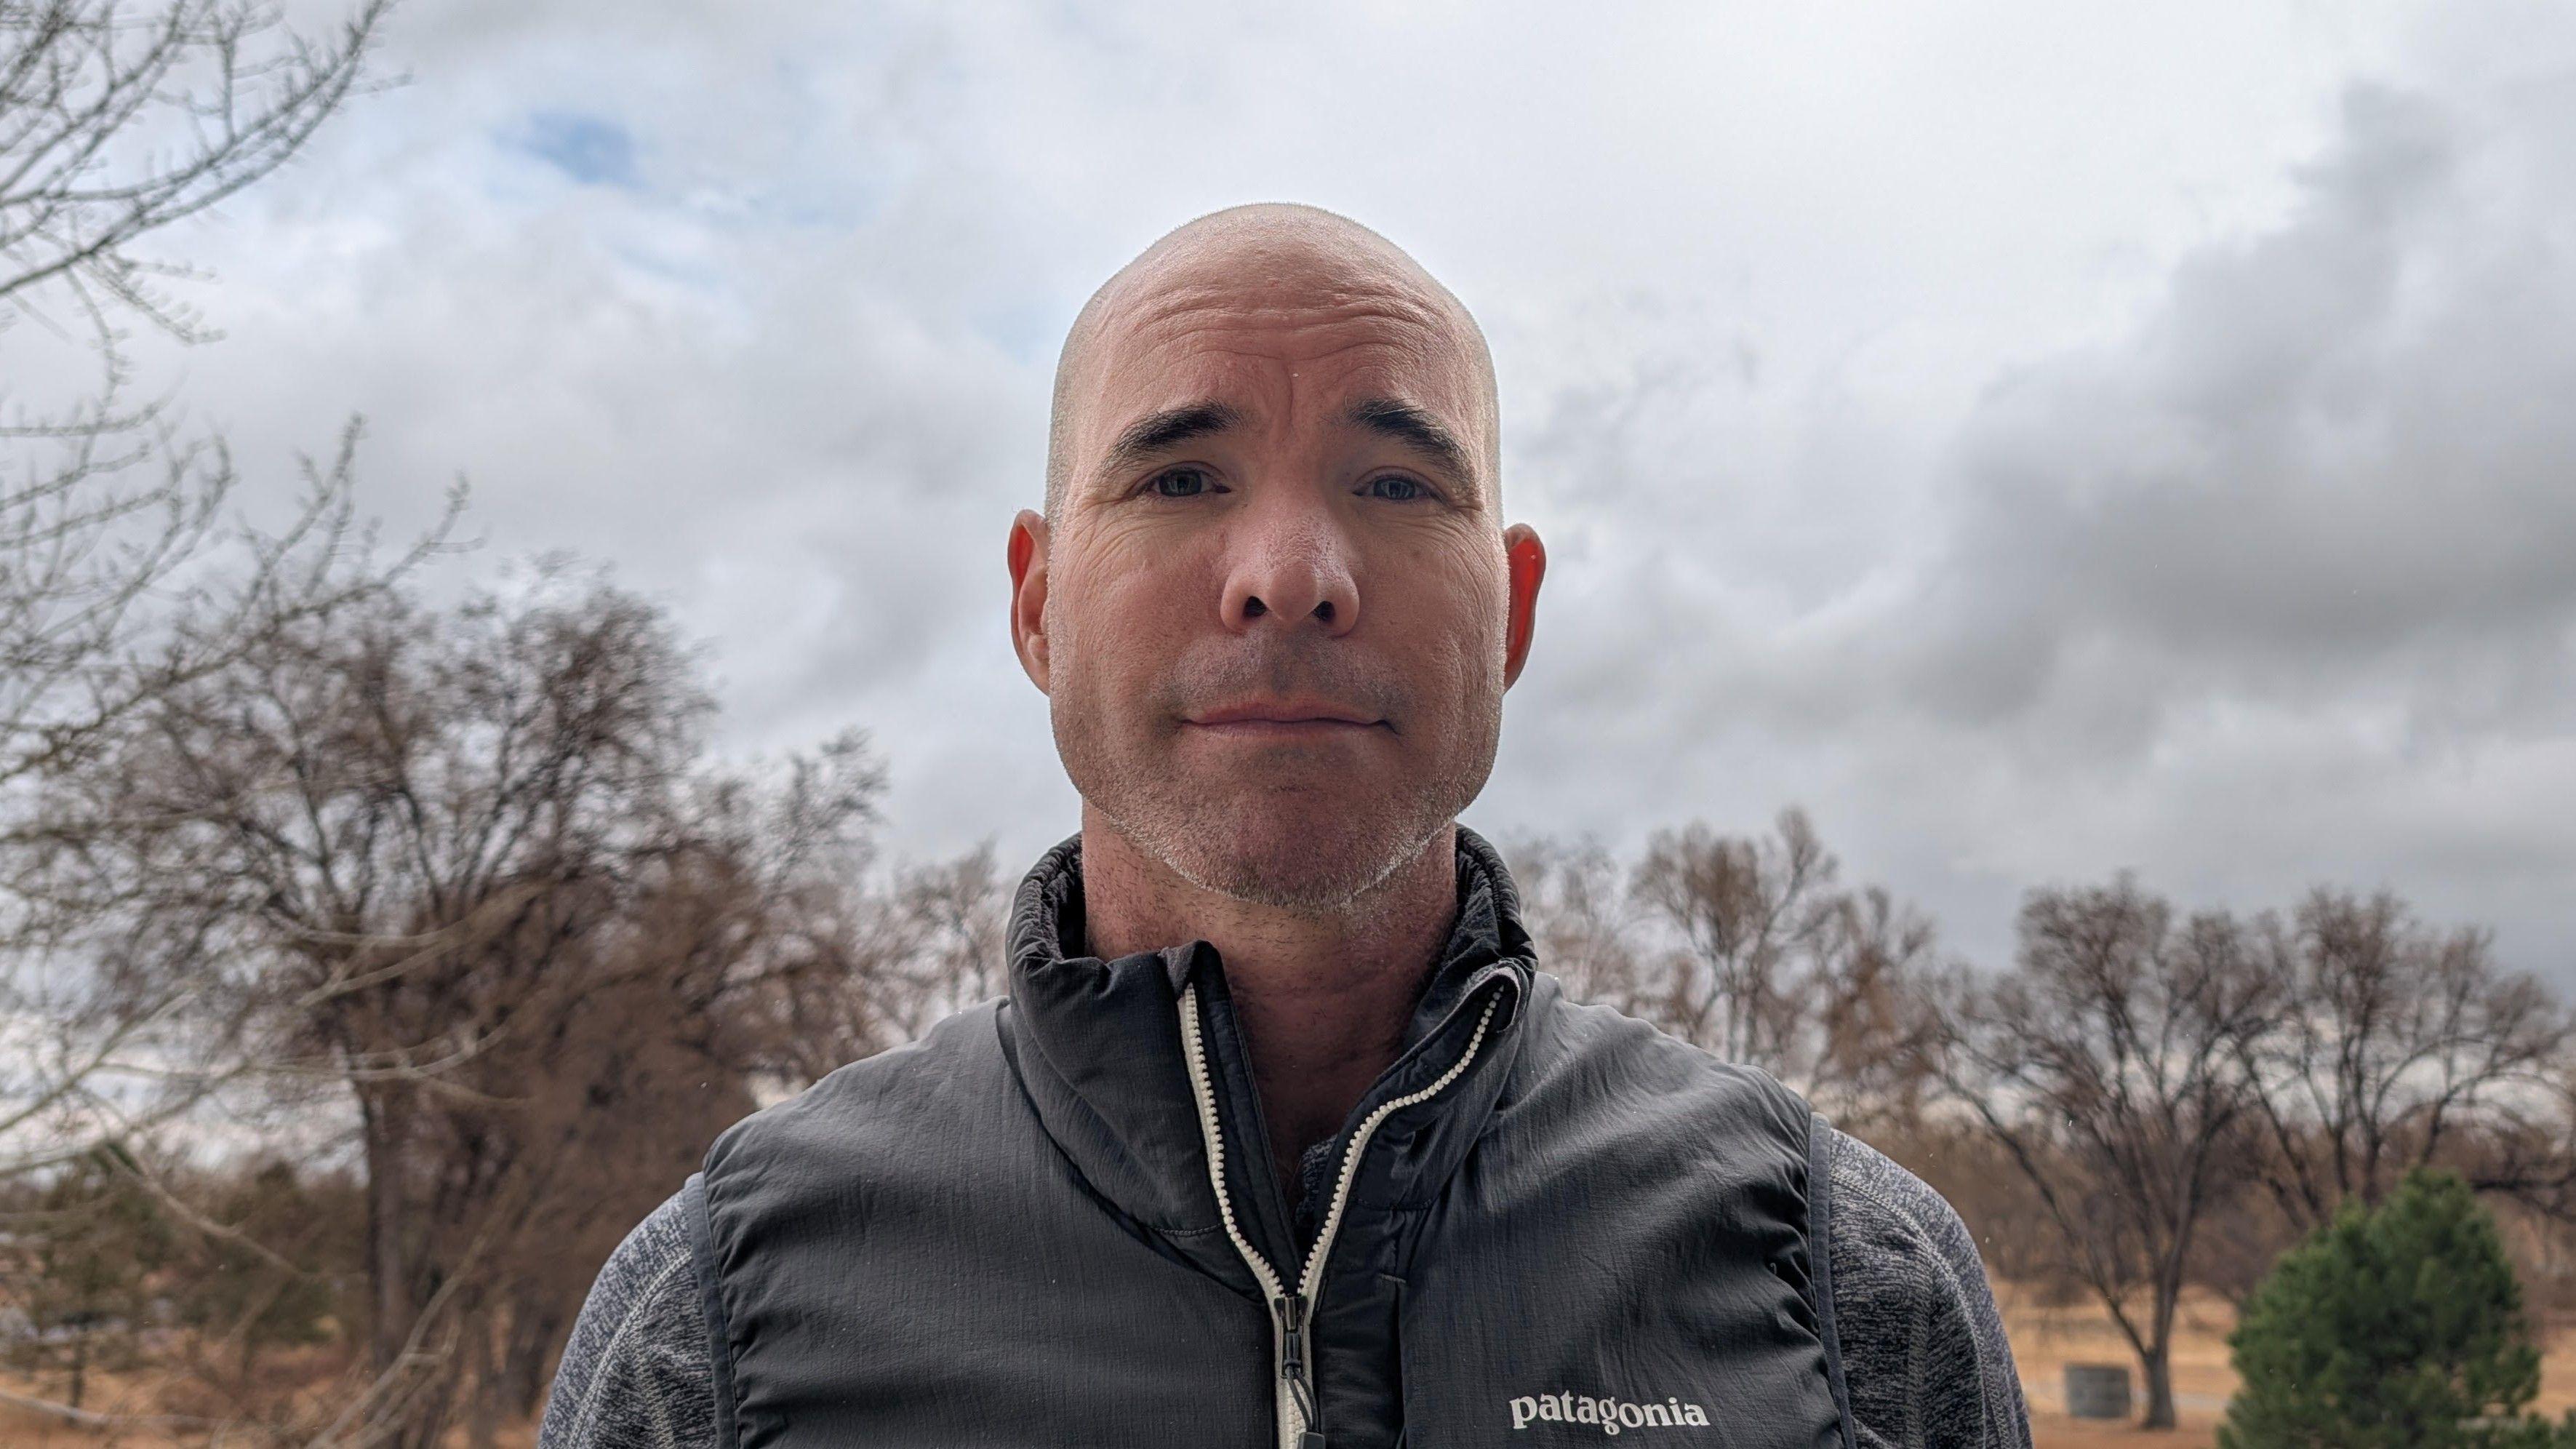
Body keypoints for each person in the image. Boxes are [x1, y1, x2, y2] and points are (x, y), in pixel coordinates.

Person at [538, 202, 2033, 1449]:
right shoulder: (721, 1312)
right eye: (1181, 477)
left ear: (1510, 613)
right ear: (1038, 605)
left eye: (1396, 482)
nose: (1293, 574)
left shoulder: (1843, 1281)